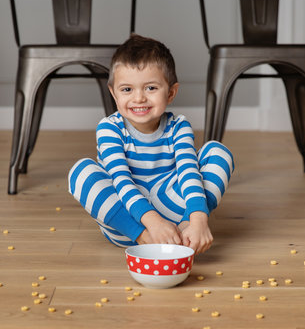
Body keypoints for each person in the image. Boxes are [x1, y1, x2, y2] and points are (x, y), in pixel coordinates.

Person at [68, 34, 234, 254]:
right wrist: (152, 224)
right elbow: (121, 181)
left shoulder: (179, 127)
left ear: (171, 92)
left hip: (174, 214)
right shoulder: (109, 128)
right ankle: (147, 240)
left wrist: (198, 221)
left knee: (218, 152)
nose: (139, 98)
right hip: (128, 225)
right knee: (80, 172)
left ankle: (186, 231)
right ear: (113, 93)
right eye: (127, 89)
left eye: (151, 88)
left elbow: (189, 172)